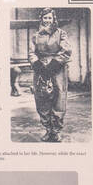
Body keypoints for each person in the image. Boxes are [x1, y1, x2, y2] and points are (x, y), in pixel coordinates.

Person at [27, 8, 74, 142]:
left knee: (59, 97)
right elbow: (31, 53)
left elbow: (66, 50)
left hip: (57, 68)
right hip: (40, 69)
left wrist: (53, 65)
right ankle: (48, 129)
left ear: (54, 19)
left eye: (50, 18)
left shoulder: (61, 34)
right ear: (41, 19)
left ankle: (56, 131)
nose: (47, 20)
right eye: (45, 18)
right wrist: (38, 65)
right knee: (41, 98)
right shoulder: (35, 36)